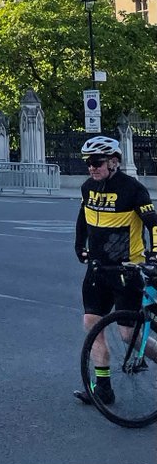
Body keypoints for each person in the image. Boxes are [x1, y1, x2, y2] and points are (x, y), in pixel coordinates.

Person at [72, 135, 157, 406]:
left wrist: (154, 254)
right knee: (92, 324)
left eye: (97, 162)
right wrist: (79, 246)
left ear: (113, 162)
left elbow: (153, 223)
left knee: (127, 333)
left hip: (126, 270)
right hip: (98, 270)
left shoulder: (133, 190)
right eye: (88, 163)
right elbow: (82, 218)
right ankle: (103, 387)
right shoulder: (88, 188)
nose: (91, 167)